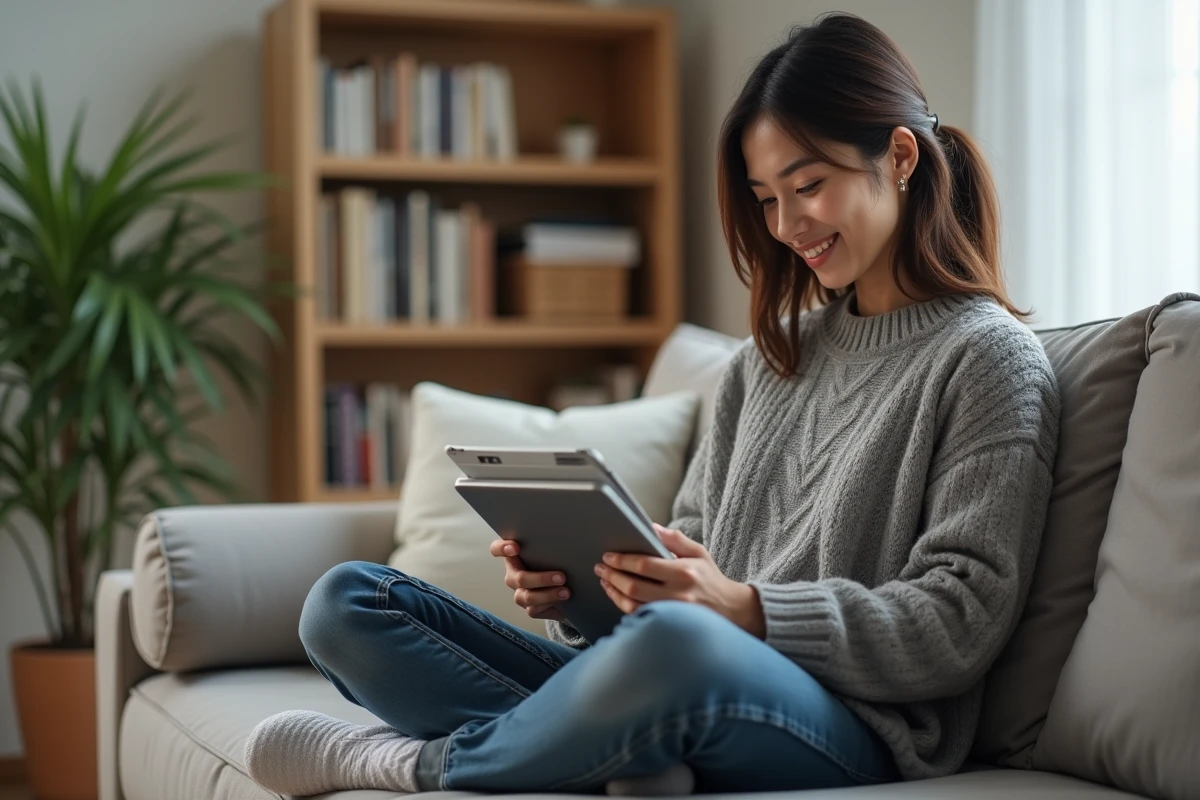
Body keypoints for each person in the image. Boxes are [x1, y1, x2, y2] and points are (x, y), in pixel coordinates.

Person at [244, 13, 1060, 796]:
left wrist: (744, 611)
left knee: (680, 645)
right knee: (350, 603)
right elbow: (689, 557)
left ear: (903, 157)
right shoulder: (767, 362)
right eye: (766, 199)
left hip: (850, 728)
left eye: (808, 185)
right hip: (679, 673)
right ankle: (616, 749)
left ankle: (418, 766)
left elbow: (958, 622)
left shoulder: (989, 361)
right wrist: (588, 589)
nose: (786, 225)